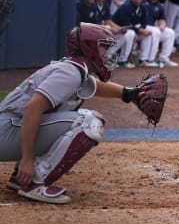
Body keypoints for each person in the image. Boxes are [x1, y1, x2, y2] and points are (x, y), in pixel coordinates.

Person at [0, 23, 150, 204]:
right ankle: (34, 182)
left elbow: (94, 86)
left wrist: (129, 94)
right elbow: (32, 108)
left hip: (8, 128)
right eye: (103, 47)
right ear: (89, 48)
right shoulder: (70, 72)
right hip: (6, 130)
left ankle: (21, 178)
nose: (107, 54)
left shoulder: (74, 69)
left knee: (77, 118)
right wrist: (27, 159)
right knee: (88, 121)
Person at [107, 0, 152, 68]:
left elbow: (144, 24)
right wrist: (138, 31)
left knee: (148, 32)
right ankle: (122, 60)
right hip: (115, 32)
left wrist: (139, 31)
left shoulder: (143, 7)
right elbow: (126, 25)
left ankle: (144, 59)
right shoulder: (126, 7)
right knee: (130, 33)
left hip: (126, 32)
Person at [142, 0, 179, 67]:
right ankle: (147, 60)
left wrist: (162, 25)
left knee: (170, 32)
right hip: (141, 28)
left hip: (151, 29)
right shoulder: (142, 2)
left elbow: (162, 19)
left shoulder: (159, 5)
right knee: (155, 31)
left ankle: (163, 58)